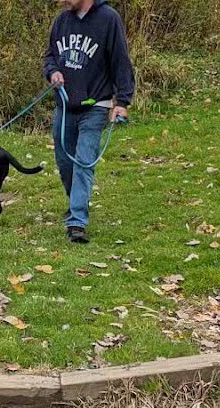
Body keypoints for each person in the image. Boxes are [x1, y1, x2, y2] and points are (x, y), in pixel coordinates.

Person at [43, 0, 135, 244]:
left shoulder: (108, 19)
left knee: (84, 161)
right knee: (64, 161)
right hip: (65, 105)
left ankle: (77, 222)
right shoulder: (62, 20)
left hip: (96, 105)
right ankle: (76, 202)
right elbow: (50, 55)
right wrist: (53, 72)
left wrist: (122, 102)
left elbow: (120, 61)